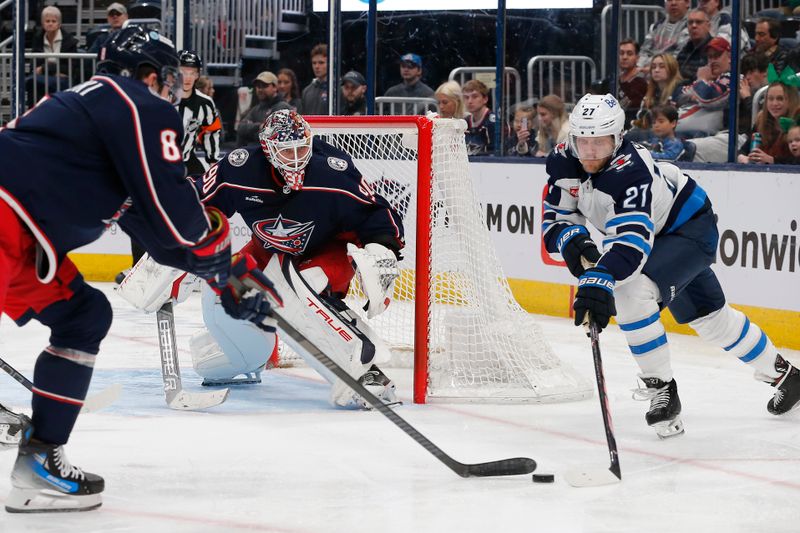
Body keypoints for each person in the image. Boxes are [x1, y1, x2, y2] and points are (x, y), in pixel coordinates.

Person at [0, 25, 275, 513]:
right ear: (149, 73)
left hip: (16, 233)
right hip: (8, 223)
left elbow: (161, 236)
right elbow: (177, 217)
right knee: (82, 317)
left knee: (82, 316)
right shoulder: (135, 104)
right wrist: (225, 268)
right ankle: (40, 458)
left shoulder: (96, 121)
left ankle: (40, 461)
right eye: (169, 76)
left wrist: (219, 273)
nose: (173, 88)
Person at [542, 93, 799, 440]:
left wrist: (599, 277)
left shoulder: (631, 171)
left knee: (631, 291)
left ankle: (662, 389)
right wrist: (573, 239)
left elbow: (632, 245)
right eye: (582, 142)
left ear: (618, 138)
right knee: (711, 319)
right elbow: (556, 218)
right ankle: (787, 376)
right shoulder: (563, 161)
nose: (589, 153)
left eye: (599, 143)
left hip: (688, 229)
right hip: (661, 235)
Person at [168, 110, 404, 408]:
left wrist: (382, 248)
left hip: (326, 252)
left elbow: (375, 211)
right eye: (286, 150)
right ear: (267, 149)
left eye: (301, 148)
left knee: (296, 293)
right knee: (218, 292)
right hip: (268, 251)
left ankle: (366, 373)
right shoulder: (239, 169)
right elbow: (197, 198)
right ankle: (229, 360)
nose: (295, 158)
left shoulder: (332, 171)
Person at [737, 65, 800, 165]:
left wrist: (772, 161)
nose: (774, 104)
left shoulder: (798, 122)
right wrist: (742, 157)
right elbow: (743, 150)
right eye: (770, 99)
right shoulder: (761, 121)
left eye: (780, 99)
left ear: (791, 101)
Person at [176, 50, 222, 176]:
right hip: (161, 163)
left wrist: (212, 161)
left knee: (203, 190)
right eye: (183, 72)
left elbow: (211, 132)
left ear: (198, 75)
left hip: (188, 161)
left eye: (192, 73)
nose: (188, 78)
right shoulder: (163, 98)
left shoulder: (205, 103)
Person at [674, 36, 731, 137]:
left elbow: (708, 97)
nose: (712, 61)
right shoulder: (707, 80)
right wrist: (701, 86)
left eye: (717, 55)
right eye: (710, 57)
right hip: (683, 131)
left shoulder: (733, 78)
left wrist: (701, 80)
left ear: (730, 57)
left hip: (707, 135)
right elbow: (678, 96)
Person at [27, 6, 80, 103]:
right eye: (47, 21)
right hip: (42, 80)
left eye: (53, 21)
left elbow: (70, 69)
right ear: (43, 23)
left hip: (63, 82)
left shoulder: (69, 41)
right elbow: (33, 67)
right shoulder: (38, 39)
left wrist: (44, 69)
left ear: (59, 24)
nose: (50, 24)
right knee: (32, 82)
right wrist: (55, 70)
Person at [630, 53, 684, 135]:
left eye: (662, 67)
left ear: (671, 69)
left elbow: (677, 121)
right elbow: (642, 120)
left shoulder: (679, 91)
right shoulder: (650, 93)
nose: (656, 70)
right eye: (653, 67)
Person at [236, 71, 291, 147]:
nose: (260, 89)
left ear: (275, 87)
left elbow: (270, 135)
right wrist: (259, 126)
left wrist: (251, 132)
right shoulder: (256, 109)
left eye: (264, 86)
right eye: (258, 86)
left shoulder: (282, 107)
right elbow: (241, 128)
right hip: (254, 153)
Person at [637, 0, 691, 70]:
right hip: (649, 68)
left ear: (687, 3)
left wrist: (653, 67)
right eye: (669, 0)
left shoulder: (691, 26)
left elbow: (678, 56)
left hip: (672, 70)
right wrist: (639, 66)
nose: (673, 3)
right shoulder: (656, 26)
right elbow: (644, 50)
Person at [617, 39, 648, 125]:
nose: (624, 57)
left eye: (629, 54)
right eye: (621, 53)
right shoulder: (614, 80)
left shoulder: (641, 82)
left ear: (637, 58)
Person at [676, 9, 713, 80]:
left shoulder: (714, 49)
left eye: (699, 22)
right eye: (690, 22)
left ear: (708, 26)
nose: (693, 26)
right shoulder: (684, 48)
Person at [462, 79, 496, 155]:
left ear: (485, 99)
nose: (470, 101)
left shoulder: (494, 123)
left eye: (474, 96)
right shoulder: (465, 122)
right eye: (466, 97)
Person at [299, 44, 329, 115]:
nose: (317, 66)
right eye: (314, 63)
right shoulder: (307, 91)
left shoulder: (337, 90)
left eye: (321, 63)